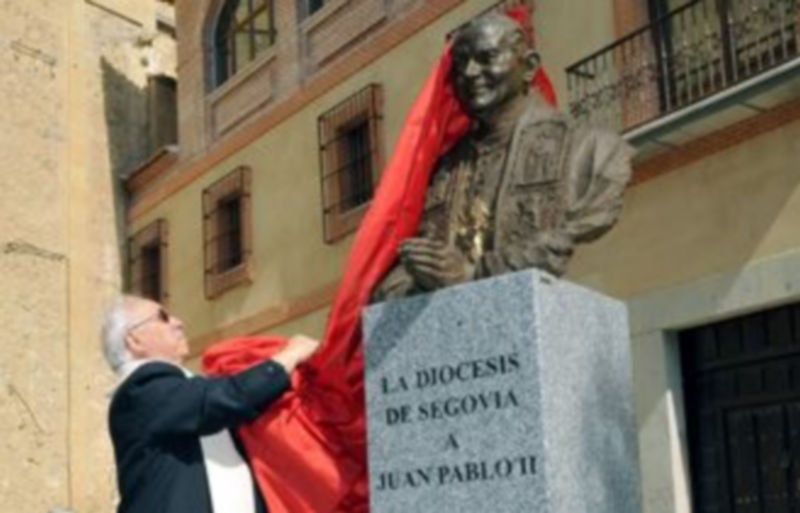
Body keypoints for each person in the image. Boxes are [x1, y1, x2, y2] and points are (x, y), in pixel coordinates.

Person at [373, 13, 632, 300]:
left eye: (488, 57)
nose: (470, 72)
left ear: (529, 67)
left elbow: (560, 238)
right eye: (461, 63)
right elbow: (393, 280)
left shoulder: (591, 150)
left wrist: (470, 275)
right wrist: (416, 280)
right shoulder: (444, 171)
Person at [101, 295, 320, 513]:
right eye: (163, 317)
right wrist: (289, 356)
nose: (179, 323)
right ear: (135, 340)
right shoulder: (141, 389)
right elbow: (226, 399)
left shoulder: (180, 392)